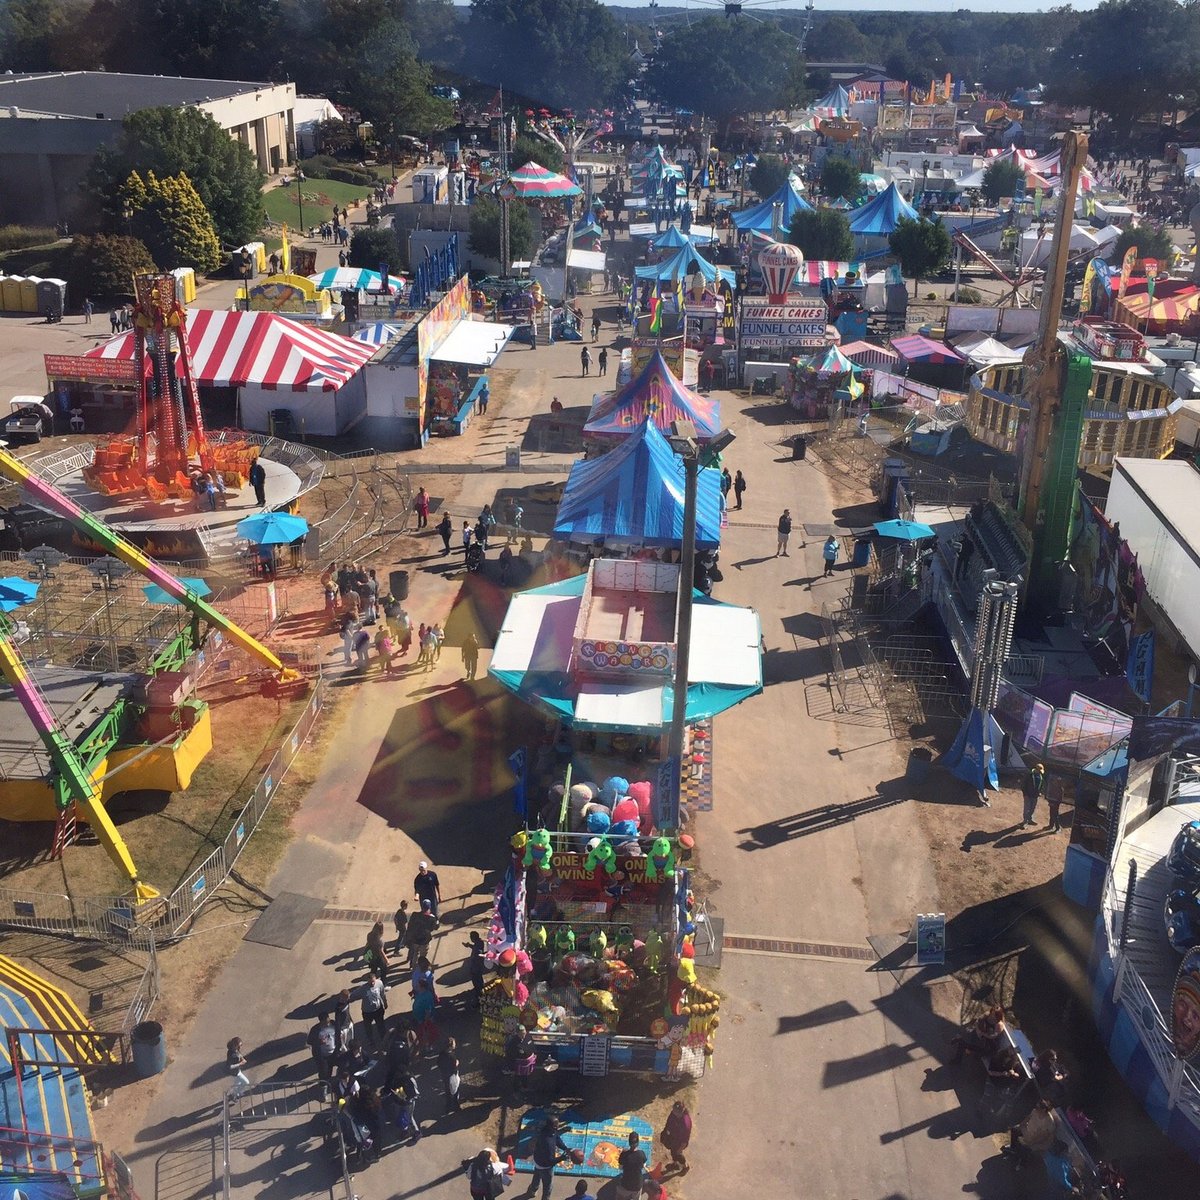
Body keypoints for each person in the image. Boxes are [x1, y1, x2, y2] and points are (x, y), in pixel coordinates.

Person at [530, 1116, 571, 1200]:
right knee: (548, 1186)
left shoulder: (549, 1131)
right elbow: (550, 1161)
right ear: (552, 1126)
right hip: (545, 1166)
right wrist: (561, 1158)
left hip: (537, 1161)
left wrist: (565, 1148)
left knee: (537, 1176)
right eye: (556, 1125)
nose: (558, 1126)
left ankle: (532, 1191)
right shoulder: (547, 1143)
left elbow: (557, 1139)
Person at [661, 1100, 692, 1175]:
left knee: (678, 1154)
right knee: (673, 1153)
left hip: (679, 1143)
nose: (673, 1112)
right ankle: (675, 1164)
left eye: (675, 1111)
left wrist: (680, 1149)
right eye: (673, 1110)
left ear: (680, 1112)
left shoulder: (685, 1123)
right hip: (672, 1138)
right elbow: (669, 1122)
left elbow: (684, 1141)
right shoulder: (674, 1114)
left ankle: (685, 1166)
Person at [405, 899, 437, 967]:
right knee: (422, 956)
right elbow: (433, 928)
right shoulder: (432, 918)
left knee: (415, 954)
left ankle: (413, 966)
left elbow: (410, 926)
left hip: (415, 940)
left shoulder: (414, 915)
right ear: (429, 907)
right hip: (424, 941)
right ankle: (420, 968)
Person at [614, 1131, 646, 1200]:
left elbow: (620, 1168)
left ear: (629, 1142)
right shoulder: (641, 1154)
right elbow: (643, 1166)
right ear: (638, 1142)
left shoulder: (624, 1154)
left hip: (625, 1185)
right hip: (637, 1185)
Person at [308, 1011, 338, 1080]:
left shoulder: (333, 1024)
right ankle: (323, 1084)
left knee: (332, 1067)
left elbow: (338, 1033)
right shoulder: (315, 1030)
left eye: (328, 1022)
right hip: (322, 1056)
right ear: (320, 1022)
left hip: (334, 1053)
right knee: (323, 1072)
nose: (328, 1024)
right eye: (325, 1023)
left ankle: (329, 1080)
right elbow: (309, 1041)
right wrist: (319, 1042)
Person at [360, 969, 388, 1045]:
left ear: (375, 979)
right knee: (368, 1027)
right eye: (370, 982)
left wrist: (385, 1002)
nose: (372, 983)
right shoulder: (363, 988)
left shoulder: (379, 983)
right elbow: (353, 995)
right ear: (367, 981)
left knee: (381, 1025)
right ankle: (371, 1041)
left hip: (378, 1009)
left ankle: (384, 1040)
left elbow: (382, 994)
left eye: (373, 981)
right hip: (367, 1012)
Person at [438, 1036, 462, 1113]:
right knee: (455, 1091)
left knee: (448, 1092)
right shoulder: (451, 1056)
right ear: (451, 1045)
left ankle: (448, 1108)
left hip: (445, 1076)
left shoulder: (442, 1054)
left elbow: (438, 1063)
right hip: (452, 1076)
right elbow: (454, 1065)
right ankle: (456, 1106)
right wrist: (457, 1063)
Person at [1022, 762, 1046, 827]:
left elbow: (1041, 786)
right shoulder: (1029, 775)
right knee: (1027, 808)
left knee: (1032, 808)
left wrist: (1040, 792)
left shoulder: (1040, 777)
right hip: (1028, 795)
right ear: (1036, 770)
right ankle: (1025, 821)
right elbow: (1023, 785)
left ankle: (1030, 819)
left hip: (1035, 796)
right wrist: (1025, 794)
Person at [465, 930, 486, 1003]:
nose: (470, 938)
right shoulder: (480, 942)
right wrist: (469, 945)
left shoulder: (478, 950)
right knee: (479, 979)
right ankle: (481, 989)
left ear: (474, 938)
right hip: (478, 967)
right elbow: (475, 947)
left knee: (476, 982)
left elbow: (478, 952)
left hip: (476, 968)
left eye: (471, 937)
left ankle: (479, 996)